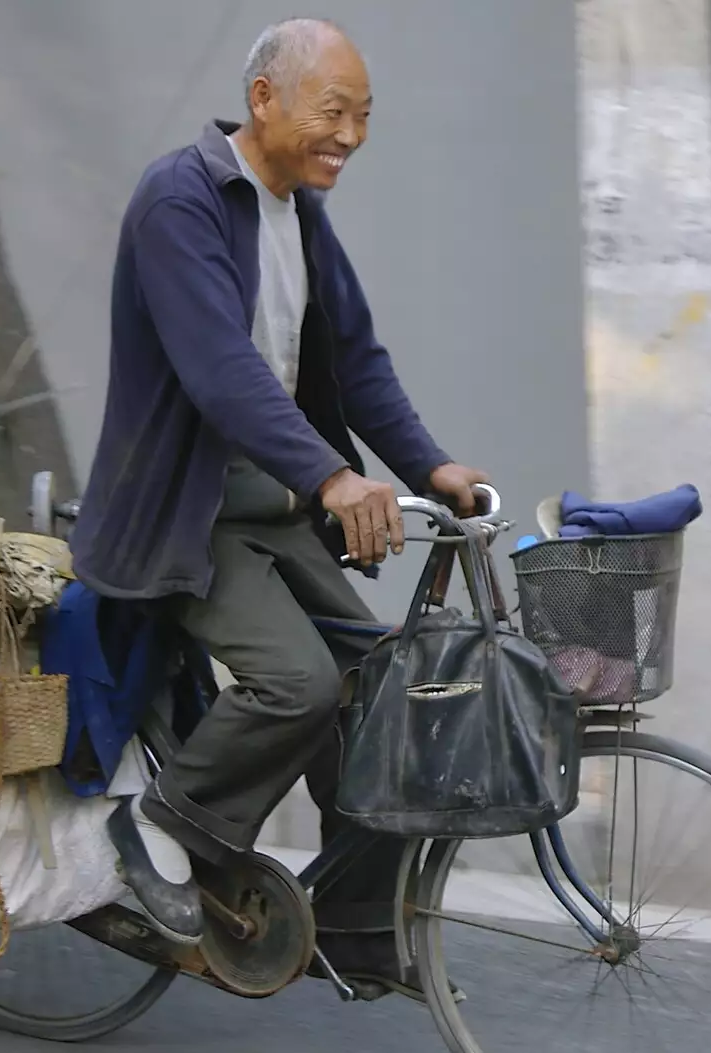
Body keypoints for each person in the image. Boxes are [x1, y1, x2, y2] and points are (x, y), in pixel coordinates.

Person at [71, 17, 487, 1001]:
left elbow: (356, 363)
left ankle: (351, 924)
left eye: (364, 117)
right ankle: (159, 831)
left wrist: (432, 469)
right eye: (333, 111)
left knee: (384, 695)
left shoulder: (299, 209)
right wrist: (331, 479)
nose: (350, 134)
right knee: (296, 684)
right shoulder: (179, 201)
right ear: (265, 99)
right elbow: (219, 372)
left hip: (269, 506)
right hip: (184, 512)